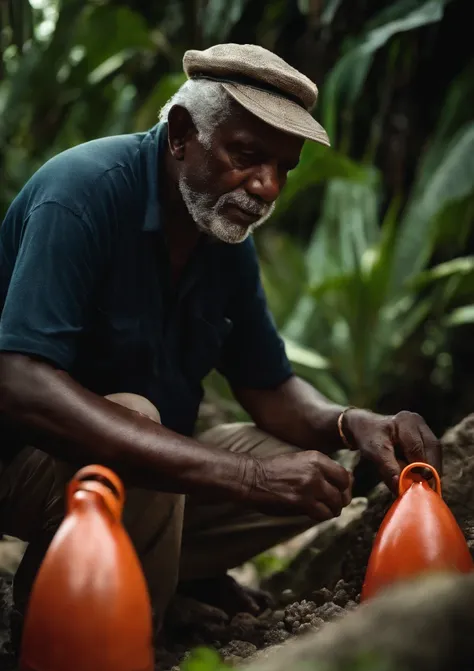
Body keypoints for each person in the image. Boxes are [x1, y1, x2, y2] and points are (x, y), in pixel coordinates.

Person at [0, 43, 441, 629]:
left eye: (284, 168)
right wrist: (245, 477)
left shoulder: (222, 235)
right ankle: (76, 627)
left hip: (137, 478)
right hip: (21, 466)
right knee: (139, 425)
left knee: (311, 470)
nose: (267, 188)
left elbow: (272, 390)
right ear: (181, 135)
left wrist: (354, 423)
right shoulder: (82, 192)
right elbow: (21, 383)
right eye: (248, 155)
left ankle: (168, 573)